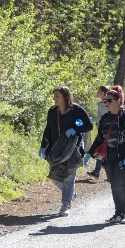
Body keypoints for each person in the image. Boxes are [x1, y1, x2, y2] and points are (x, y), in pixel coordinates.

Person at [84, 85, 125, 224]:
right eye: (105, 101)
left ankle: (123, 214)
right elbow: (99, 138)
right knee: (113, 183)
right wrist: (89, 153)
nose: (106, 103)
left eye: (109, 100)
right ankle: (117, 213)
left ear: (118, 101)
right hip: (109, 157)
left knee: (120, 183)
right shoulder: (105, 118)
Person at [40, 86, 94, 215]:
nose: (54, 98)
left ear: (65, 97)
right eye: (54, 96)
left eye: (57, 96)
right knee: (55, 177)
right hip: (55, 150)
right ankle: (70, 194)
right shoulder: (52, 111)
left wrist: (76, 129)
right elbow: (48, 129)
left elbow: (88, 125)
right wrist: (43, 146)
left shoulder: (76, 110)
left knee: (69, 177)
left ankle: (66, 204)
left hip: (72, 149)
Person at [87, 85, 109, 178]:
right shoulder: (105, 103)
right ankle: (97, 171)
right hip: (105, 129)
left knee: (101, 150)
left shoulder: (101, 104)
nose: (97, 92)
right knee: (101, 150)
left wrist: (94, 119)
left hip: (104, 130)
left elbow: (106, 117)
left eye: (99, 91)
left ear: (103, 93)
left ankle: (102, 172)